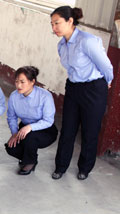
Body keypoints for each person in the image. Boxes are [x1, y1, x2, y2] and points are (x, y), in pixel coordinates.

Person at [50, 6, 114, 180]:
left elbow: (106, 66)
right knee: (68, 129)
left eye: (57, 23)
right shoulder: (61, 45)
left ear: (70, 21)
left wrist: (106, 82)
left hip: (94, 89)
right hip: (73, 87)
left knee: (90, 130)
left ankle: (85, 168)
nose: (54, 28)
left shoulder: (88, 41)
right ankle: (60, 166)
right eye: (52, 24)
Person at [5, 66, 58, 175]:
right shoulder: (14, 96)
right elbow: (11, 117)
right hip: (24, 128)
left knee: (30, 137)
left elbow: (48, 121)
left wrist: (30, 127)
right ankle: (30, 156)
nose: (18, 85)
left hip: (46, 130)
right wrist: (15, 133)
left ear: (32, 82)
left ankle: (30, 162)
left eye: (22, 82)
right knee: (11, 148)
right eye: (16, 81)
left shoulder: (45, 96)